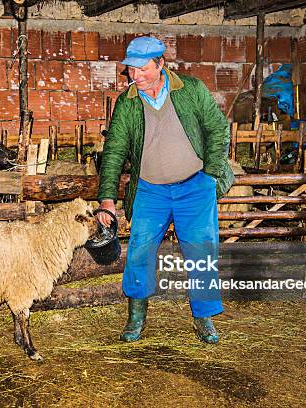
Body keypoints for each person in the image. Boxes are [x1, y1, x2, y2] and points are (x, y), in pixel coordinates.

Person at [97, 36, 234, 344]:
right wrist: (107, 199)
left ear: (160, 64)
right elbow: (115, 151)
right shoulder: (127, 102)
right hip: (150, 191)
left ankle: (204, 318)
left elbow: (217, 128)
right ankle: (136, 318)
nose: (135, 76)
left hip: (195, 186)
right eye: (131, 70)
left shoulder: (191, 90)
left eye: (143, 69)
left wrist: (211, 175)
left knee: (201, 250)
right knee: (139, 251)